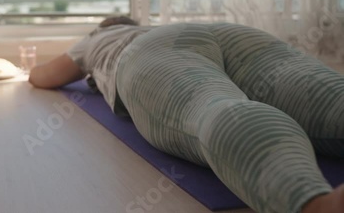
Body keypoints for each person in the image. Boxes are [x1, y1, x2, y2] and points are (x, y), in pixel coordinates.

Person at [28, 16, 344, 213]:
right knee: (330, 96)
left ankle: (316, 205)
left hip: (157, 50)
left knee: (215, 106)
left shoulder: (96, 39)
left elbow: (44, 77)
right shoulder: (154, 25)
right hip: (228, 33)